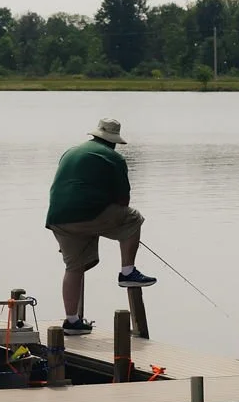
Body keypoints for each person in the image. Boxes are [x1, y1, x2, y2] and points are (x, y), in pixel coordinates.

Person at [45, 117, 156, 335]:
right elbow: (124, 201)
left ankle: (72, 322)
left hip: (59, 219)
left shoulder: (70, 152)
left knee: (73, 267)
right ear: (114, 141)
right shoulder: (113, 158)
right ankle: (127, 272)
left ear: (95, 135)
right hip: (87, 215)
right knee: (133, 218)